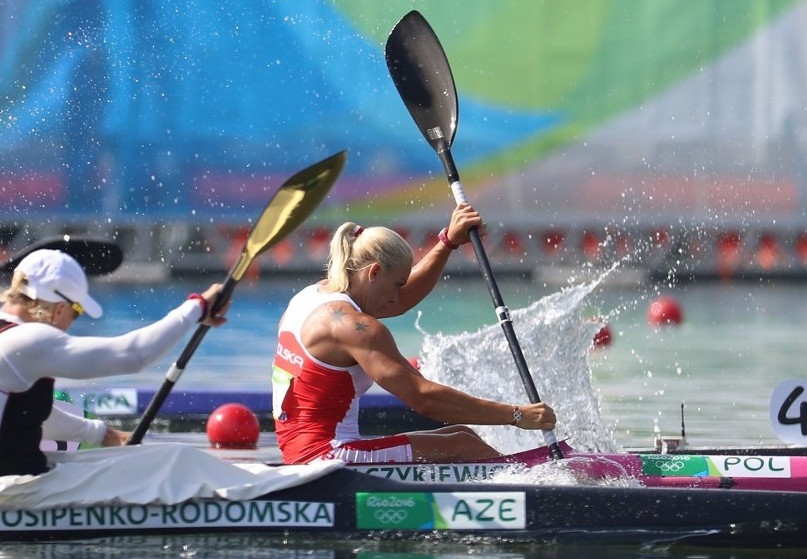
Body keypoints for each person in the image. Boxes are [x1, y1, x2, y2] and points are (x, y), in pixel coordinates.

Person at [272, 203, 557, 464]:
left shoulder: (314, 298)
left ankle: (520, 481)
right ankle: (537, 496)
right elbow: (425, 400)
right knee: (463, 447)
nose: (398, 297)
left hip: (303, 450)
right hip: (326, 459)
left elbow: (404, 299)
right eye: (396, 284)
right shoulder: (355, 328)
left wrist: (448, 242)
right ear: (374, 273)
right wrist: (517, 415)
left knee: (463, 435)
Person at [0, 249, 228, 476]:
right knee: (174, 458)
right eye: (77, 311)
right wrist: (198, 307)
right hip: (17, 494)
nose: (73, 320)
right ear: (60, 308)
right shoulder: (31, 340)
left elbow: (28, 416)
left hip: (14, 486)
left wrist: (101, 435)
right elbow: (134, 355)